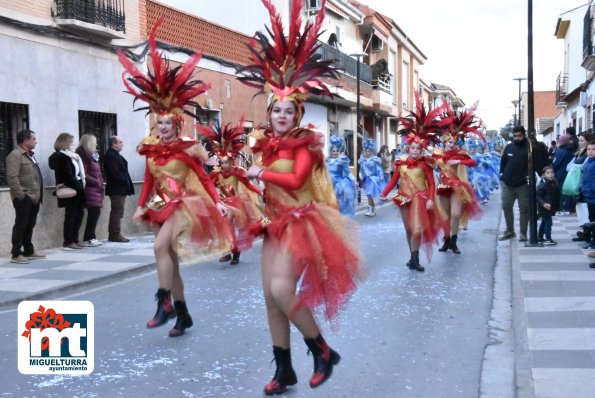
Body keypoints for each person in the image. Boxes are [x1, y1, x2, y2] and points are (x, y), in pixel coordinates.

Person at [238, 0, 365, 393]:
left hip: (302, 224)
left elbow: (294, 181)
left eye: (288, 111)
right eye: (275, 110)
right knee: (270, 299)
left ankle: (323, 350)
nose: (280, 115)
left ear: (297, 115)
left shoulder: (307, 146)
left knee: (281, 289)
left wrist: (259, 171)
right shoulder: (265, 145)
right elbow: (270, 184)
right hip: (274, 223)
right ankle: (284, 370)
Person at [119, 18, 234, 337]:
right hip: (162, 205)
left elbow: (206, 178)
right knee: (169, 260)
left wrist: (218, 203)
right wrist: (140, 206)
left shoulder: (187, 149)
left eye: (167, 123)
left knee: (159, 248)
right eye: (159, 123)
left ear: (177, 124)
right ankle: (183, 315)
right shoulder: (151, 150)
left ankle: (164, 301)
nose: (162, 127)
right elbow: (151, 183)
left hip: (187, 205)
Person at [380, 94, 448, 271]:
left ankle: (415, 260)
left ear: (421, 150)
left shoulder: (426, 165)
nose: (415, 150)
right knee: (409, 230)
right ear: (408, 149)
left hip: (421, 199)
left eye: (418, 148)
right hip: (404, 199)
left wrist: (431, 199)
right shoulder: (400, 163)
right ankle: (412, 258)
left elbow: (432, 183)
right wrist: (384, 193)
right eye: (413, 148)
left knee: (417, 229)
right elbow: (394, 180)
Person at [199, 119, 264, 265]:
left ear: (231, 162)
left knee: (240, 229)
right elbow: (207, 185)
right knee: (225, 225)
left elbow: (250, 185)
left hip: (239, 203)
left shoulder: (238, 172)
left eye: (225, 162)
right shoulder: (217, 173)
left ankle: (235, 252)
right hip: (225, 204)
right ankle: (230, 251)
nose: (223, 165)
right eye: (221, 163)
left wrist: (261, 193)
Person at [432, 103, 483, 254]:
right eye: (448, 142)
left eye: (453, 142)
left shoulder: (458, 154)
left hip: (457, 187)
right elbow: (430, 163)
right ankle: (447, 240)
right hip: (443, 188)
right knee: (445, 216)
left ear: (455, 143)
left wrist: (458, 161)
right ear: (444, 142)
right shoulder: (438, 153)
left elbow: (472, 162)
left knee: (455, 214)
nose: (450, 144)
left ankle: (454, 241)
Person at [6, 129, 45, 263]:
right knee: (21, 224)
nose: (36, 141)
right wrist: (21, 196)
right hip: (24, 197)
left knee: (30, 224)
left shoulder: (29, 155)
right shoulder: (15, 155)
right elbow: (12, 177)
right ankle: (16, 253)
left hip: (35, 196)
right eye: (33, 139)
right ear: (25, 140)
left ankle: (28, 249)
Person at [48, 133, 86, 250]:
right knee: (71, 215)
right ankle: (68, 241)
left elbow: (77, 172)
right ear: (63, 142)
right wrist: (78, 186)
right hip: (70, 188)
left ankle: (74, 239)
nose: (72, 144)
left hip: (78, 186)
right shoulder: (61, 156)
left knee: (79, 214)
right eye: (70, 141)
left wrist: (81, 184)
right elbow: (67, 175)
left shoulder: (73, 156)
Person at [499, 126, 529, 241]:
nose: (517, 138)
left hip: (522, 185)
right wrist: (501, 175)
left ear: (524, 135)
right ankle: (510, 231)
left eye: (519, 136)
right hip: (507, 184)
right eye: (515, 136)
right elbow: (503, 162)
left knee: (524, 209)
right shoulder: (509, 147)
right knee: (506, 206)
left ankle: (523, 233)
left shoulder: (529, 147)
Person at [104, 136, 134, 242]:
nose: (122, 144)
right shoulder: (110, 155)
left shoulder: (116, 154)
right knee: (117, 211)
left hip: (120, 188)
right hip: (116, 188)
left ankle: (115, 233)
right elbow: (114, 173)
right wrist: (124, 181)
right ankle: (114, 234)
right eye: (120, 142)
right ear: (114, 144)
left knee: (118, 211)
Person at [76, 134, 104, 247]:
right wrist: (96, 182)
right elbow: (84, 174)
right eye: (95, 142)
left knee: (95, 213)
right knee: (94, 212)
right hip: (90, 189)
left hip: (95, 189)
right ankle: (89, 237)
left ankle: (91, 236)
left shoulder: (91, 155)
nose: (96, 144)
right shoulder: (83, 156)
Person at [326, 135, 357, 217]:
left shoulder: (342, 160)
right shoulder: (327, 161)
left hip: (338, 184)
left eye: (337, 150)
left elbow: (348, 172)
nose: (335, 152)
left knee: (336, 200)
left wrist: (353, 180)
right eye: (333, 150)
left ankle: (337, 217)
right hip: (328, 184)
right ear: (331, 151)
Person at [358, 139, 386, 217]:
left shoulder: (374, 160)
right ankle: (371, 209)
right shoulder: (362, 160)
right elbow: (361, 170)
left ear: (372, 152)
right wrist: (360, 175)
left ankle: (371, 209)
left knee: (370, 193)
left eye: (369, 151)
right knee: (368, 195)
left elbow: (379, 168)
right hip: (366, 180)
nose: (367, 153)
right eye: (366, 151)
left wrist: (381, 176)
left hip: (373, 179)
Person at [552, 134, 575, 215]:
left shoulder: (560, 151)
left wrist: (552, 170)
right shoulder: (571, 150)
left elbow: (555, 164)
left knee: (562, 191)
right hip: (569, 174)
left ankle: (564, 208)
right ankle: (569, 207)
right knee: (568, 191)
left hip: (560, 174)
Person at [536, 166, 560, 245]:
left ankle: (540, 237)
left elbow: (556, 195)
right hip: (544, 207)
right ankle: (548, 238)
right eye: (548, 173)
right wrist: (544, 204)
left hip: (550, 207)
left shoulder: (554, 182)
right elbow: (538, 196)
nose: (551, 174)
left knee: (544, 222)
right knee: (548, 222)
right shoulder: (542, 185)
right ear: (543, 175)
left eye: (552, 172)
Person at [581, 140, 595, 251]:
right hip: (588, 195)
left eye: (593, 149)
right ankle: (592, 241)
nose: (591, 152)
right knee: (591, 219)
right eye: (589, 149)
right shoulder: (588, 161)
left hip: (593, 194)